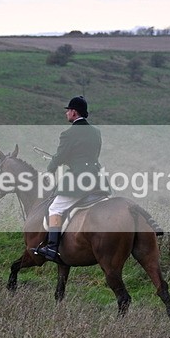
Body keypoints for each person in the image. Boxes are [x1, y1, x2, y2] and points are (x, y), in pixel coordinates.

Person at [32, 95, 106, 261]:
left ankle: (51, 248)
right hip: (97, 178)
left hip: (79, 180)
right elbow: (91, 155)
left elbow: (59, 157)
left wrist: (50, 170)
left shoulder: (69, 134)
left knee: (55, 209)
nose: (66, 113)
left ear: (74, 112)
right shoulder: (96, 132)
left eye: (68, 111)